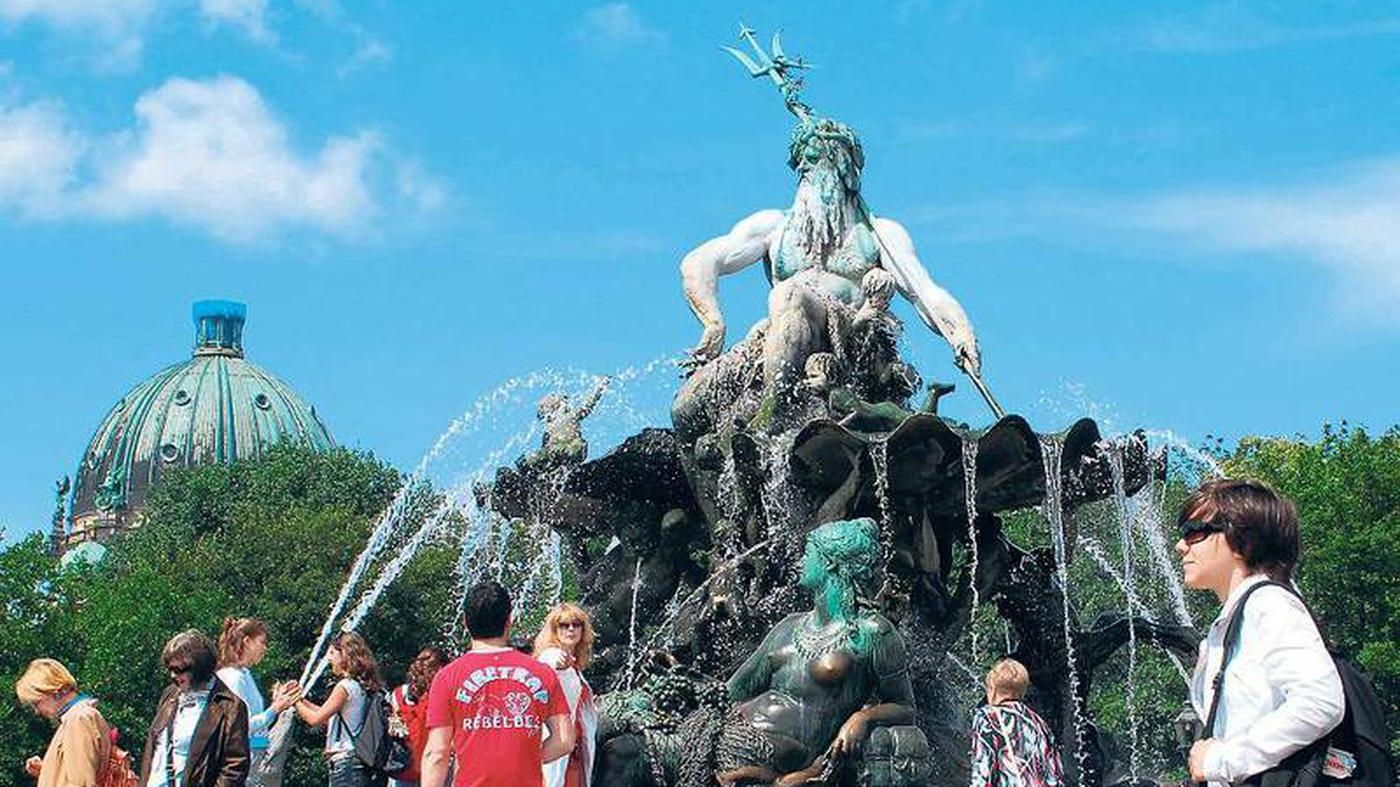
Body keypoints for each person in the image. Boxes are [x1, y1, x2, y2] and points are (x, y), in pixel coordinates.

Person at [1176, 479, 1344, 786]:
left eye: (1194, 532)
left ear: (1242, 540)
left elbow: (1321, 702)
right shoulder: (1238, 617)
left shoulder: (1269, 604)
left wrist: (1221, 761)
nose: (1181, 545)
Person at [420, 580, 574, 787]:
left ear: (465, 622)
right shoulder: (542, 674)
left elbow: (436, 753)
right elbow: (564, 740)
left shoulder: (448, 677)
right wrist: (525, 760)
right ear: (509, 620)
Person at [137, 629, 251, 787]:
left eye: (179, 669)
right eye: (170, 669)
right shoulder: (170, 696)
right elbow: (155, 751)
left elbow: (234, 768)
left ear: (200, 666)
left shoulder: (230, 707)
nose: (173, 675)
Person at [216, 617, 300, 787]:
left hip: (252, 763)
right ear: (247, 642)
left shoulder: (245, 675)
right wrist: (275, 709)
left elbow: (256, 721)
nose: (265, 648)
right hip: (239, 767)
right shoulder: (232, 678)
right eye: (262, 642)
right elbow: (241, 727)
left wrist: (279, 700)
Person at [293, 631, 383, 787]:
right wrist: (302, 701)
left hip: (346, 763)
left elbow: (315, 719)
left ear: (345, 655)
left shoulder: (344, 687)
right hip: (360, 762)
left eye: (333, 653)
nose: (329, 659)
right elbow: (328, 716)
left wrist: (293, 701)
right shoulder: (361, 686)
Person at [15, 658, 112, 787]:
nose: (37, 711)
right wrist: (47, 770)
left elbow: (81, 783)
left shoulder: (79, 719)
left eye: (37, 703)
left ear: (56, 692)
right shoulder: (76, 718)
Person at [968, 658, 1064, 787]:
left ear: (992, 688)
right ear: (1023, 691)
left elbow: (983, 772)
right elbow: (1055, 774)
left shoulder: (987, 718)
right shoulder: (1039, 723)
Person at [533, 603, 598, 787]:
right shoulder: (552, 656)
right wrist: (556, 660)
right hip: (555, 746)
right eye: (563, 624)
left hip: (573, 752)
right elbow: (547, 664)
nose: (571, 628)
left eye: (576, 624)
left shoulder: (575, 667)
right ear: (554, 629)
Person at [388, 648, 450, 787]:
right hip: (435, 765)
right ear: (440, 668)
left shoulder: (398, 694)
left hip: (404, 767)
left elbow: (395, 730)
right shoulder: (443, 696)